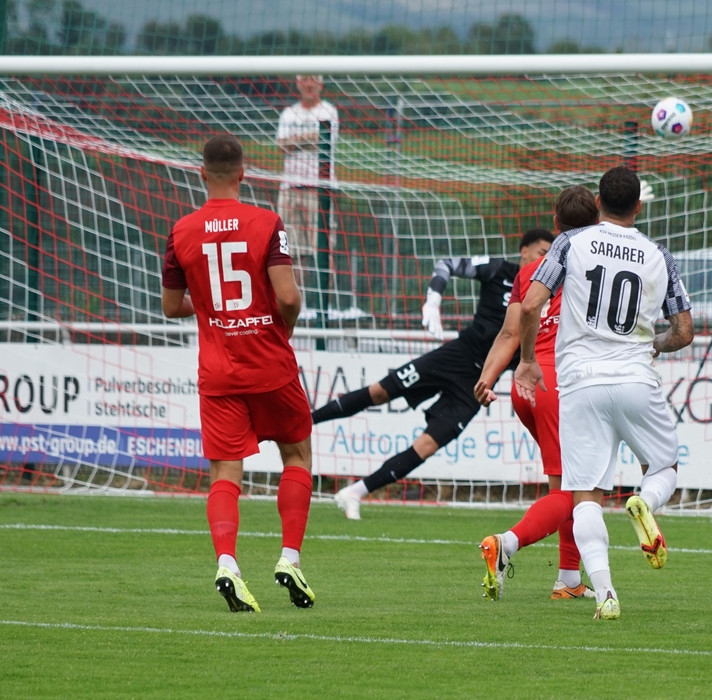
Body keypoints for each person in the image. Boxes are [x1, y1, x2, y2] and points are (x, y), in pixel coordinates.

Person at [514, 166, 694, 620]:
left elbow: (532, 303)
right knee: (664, 466)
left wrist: (529, 360)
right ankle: (645, 502)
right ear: (638, 206)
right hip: (634, 377)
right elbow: (685, 331)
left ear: (598, 203)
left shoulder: (571, 243)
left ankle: (607, 593)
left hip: (580, 382)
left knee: (585, 494)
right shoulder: (658, 254)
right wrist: (652, 344)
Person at [161, 134, 316, 613]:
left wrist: (209, 307)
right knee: (296, 456)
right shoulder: (267, 222)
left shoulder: (180, 231)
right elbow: (288, 297)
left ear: (202, 173)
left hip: (219, 371)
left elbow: (171, 307)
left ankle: (227, 564)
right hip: (270, 363)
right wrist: (280, 330)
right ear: (244, 174)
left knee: (225, 474)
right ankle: (289, 557)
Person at [313, 228, 555, 520]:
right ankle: (304, 420)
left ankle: (356, 492)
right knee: (379, 392)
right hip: (455, 357)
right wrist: (433, 299)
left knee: (427, 445)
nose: (545, 259)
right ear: (524, 251)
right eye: (542, 252)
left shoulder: (546, 292)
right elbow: (447, 264)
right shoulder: (498, 270)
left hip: (478, 383)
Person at [473, 185, 599, 602]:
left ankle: (567, 578)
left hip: (525, 386)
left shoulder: (532, 270)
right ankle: (506, 543)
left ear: (557, 223)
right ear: (598, 221)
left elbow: (511, 330)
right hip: (560, 384)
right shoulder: (597, 263)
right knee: (577, 491)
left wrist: (488, 376)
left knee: (565, 481)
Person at [276, 74, 345, 320]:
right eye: (304, 79)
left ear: (321, 83)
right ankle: (297, 309)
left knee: (325, 251)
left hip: (320, 191)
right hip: (291, 190)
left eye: (313, 79)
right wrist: (311, 139)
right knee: (292, 255)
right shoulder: (288, 114)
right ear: (297, 83)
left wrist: (299, 141)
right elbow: (282, 145)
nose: (308, 84)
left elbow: (325, 140)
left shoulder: (329, 111)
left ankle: (325, 310)